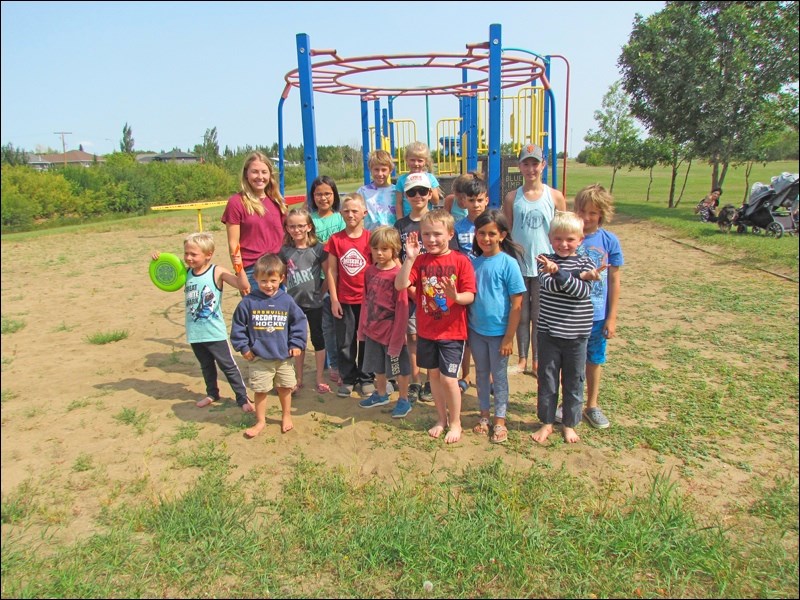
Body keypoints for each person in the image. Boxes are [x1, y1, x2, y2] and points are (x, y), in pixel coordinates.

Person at [395, 209, 476, 444]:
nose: (431, 239)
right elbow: (401, 285)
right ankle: (441, 418)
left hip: (452, 332)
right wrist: (409, 259)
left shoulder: (460, 261)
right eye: (426, 235)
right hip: (427, 331)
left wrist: (456, 296)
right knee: (434, 378)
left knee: (449, 379)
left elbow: (470, 295)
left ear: (450, 234)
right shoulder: (419, 261)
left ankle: (456, 422)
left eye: (437, 234)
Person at [151, 232, 253, 411]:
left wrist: (239, 267)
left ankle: (243, 398)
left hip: (214, 331)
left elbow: (243, 285)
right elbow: (166, 269)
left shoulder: (217, 271)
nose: (188, 258)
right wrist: (157, 258)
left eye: (194, 254)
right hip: (194, 331)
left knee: (227, 366)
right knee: (206, 366)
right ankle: (212, 393)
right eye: (186, 254)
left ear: (208, 254)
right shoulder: (186, 272)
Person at [530, 212, 596, 445]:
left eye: (570, 239)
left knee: (574, 381)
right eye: (558, 238)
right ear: (550, 237)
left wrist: (561, 272)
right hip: (548, 333)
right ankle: (546, 422)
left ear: (580, 239)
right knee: (547, 381)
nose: (563, 244)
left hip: (577, 336)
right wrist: (572, 276)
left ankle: (569, 424)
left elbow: (582, 292)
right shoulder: (543, 260)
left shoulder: (587, 262)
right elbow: (549, 285)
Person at [502, 143, 567, 376]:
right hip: (520, 264)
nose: (531, 169)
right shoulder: (512, 197)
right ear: (519, 166)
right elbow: (507, 230)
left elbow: (563, 230)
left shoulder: (555, 197)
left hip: (545, 265)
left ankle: (538, 360)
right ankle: (522, 360)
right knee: (521, 314)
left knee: (540, 316)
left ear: (543, 165)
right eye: (526, 163)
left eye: (535, 163)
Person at [230, 254, 308, 438]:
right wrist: (244, 347)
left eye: (273, 280)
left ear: (281, 278)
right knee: (261, 390)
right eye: (263, 280)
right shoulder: (248, 302)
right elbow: (238, 326)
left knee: (285, 388)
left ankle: (286, 415)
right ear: (255, 278)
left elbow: (299, 323)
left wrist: (296, 343)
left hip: (283, 358)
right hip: (259, 357)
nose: (268, 285)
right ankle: (260, 421)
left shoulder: (287, 301)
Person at [468, 210, 525, 444]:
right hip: (476, 331)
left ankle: (500, 419)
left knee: (499, 377)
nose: (486, 238)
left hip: (500, 333)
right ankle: (484, 416)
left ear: (502, 235)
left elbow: (517, 304)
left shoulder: (509, 264)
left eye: (492, 233)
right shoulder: (473, 262)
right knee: (481, 374)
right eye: (481, 233)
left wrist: (508, 338)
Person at [571, 184, 624, 429]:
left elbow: (614, 280)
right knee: (570, 361)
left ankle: (591, 405)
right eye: (582, 211)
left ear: (602, 213)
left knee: (594, 359)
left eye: (593, 213)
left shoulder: (609, 241)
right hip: (571, 314)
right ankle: (569, 402)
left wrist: (611, 317)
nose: (586, 217)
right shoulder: (570, 237)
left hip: (597, 315)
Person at [357, 226, 413, 418]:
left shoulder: (398, 274)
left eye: (384, 249)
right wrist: (362, 327)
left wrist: (397, 336)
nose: (379, 253)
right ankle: (381, 394)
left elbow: (403, 308)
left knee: (399, 368)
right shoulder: (369, 272)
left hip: (392, 333)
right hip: (373, 329)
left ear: (394, 249)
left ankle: (404, 399)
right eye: (375, 248)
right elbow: (366, 300)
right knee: (376, 365)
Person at [325, 193, 375, 398]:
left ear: (364, 213)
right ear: (340, 213)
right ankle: (347, 377)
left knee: (366, 340)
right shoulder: (336, 240)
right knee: (345, 341)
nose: (350, 214)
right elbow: (331, 271)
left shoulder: (371, 238)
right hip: (344, 300)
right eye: (346, 211)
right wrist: (334, 299)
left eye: (355, 211)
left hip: (367, 301)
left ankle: (366, 377)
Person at [279, 207, 330, 395]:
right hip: (294, 305)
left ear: (309, 226)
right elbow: (282, 275)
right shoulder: (285, 251)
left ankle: (319, 377)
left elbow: (327, 273)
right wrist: (290, 288)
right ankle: (298, 377)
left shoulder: (319, 248)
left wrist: (321, 292)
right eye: (292, 226)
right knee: (296, 341)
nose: (296, 230)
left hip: (315, 304)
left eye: (301, 225)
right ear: (287, 228)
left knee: (318, 339)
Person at [222, 152, 288, 294]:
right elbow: (233, 245)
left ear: (270, 175)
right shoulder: (236, 202)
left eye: (264, 172)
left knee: (282, 314)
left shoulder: (277, 201)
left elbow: (287, 236)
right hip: (253, 270)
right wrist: (240, 275)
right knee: (258, 315)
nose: (260, 177)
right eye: (255, 172)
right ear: (246, 174)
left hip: (278, 267)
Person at [309, 175, 346, 386]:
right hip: (317, 280)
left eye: (327, 194)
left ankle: (342, 362)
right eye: (319, 194)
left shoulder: (340, 218)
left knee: (341, 325)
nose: (323, 198)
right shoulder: (310, 220)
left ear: (334, 195)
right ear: (312, 197)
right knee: (326, 327)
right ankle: (332, 363)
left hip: (339, 280)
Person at [454, 176, 489, 391]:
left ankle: (490, 376)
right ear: (463, 201)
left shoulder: (493, 224)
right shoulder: (458, 228)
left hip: (487, 286)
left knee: (488, 332)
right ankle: (465, 375)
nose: (475, 205)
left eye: (479, 200)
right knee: (465, 333)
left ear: (486, 200)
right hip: (465, 287)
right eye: (471, 200)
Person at [395, 141, 441, 220]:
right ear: (406, 160)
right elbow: (399, 203)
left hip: (426, 219)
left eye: (420, 160)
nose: (416, 163)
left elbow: (435, 201)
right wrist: (400, 220)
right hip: (408, 220)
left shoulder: (430, 178)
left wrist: (427, 184)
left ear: (425, 161)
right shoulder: (402, 180)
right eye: (412, 160)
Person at [358, 149, 397, 230]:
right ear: (370, 169)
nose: (380, 174)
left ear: (390, 170)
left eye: (384, 170)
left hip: (393, 237)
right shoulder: (363, 192)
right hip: (371, 238)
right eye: (376, 169)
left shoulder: (396, 191)